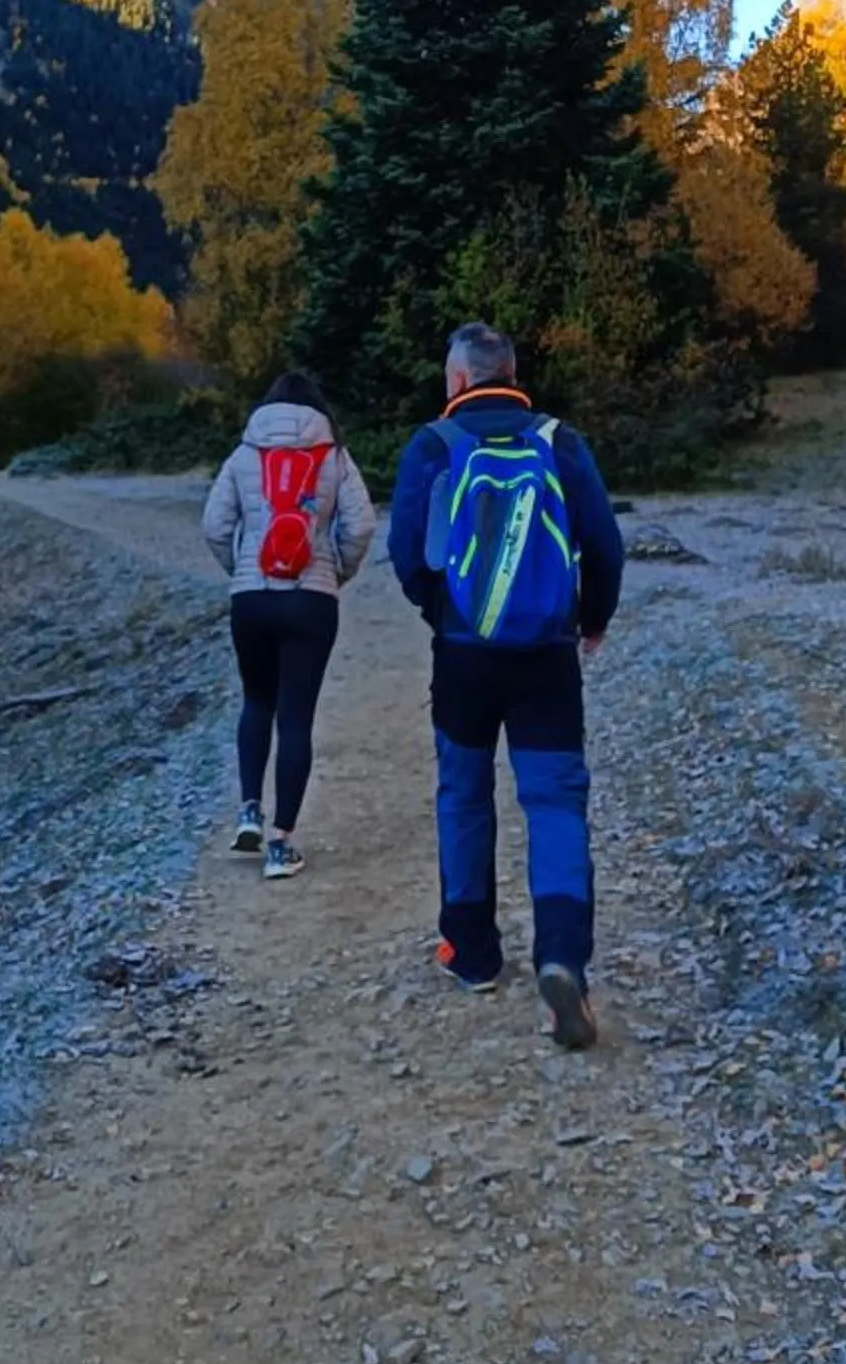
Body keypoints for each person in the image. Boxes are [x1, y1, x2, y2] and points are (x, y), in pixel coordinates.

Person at [388, 322, 623, 1050]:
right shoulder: (559, 442)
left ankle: (473, 953)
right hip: (546, 656)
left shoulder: (433, 446)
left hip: (462, 654)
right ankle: (562, 962)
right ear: (511, 374)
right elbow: (605, 543)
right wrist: (591, 619)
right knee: (554, 804)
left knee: (463, 792)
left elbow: (405, 553)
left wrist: (444, 612)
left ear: (458, 380)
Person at [203, 371, 376, 881]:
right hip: (311, 598)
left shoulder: (244, 453)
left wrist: (240, 571)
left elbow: (214, 526)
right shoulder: (333, 456)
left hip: (251, 598)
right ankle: (282, 845)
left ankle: (249, 810)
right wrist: (337, 570)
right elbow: (362, 524)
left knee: (258, 701)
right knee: (296, 717)